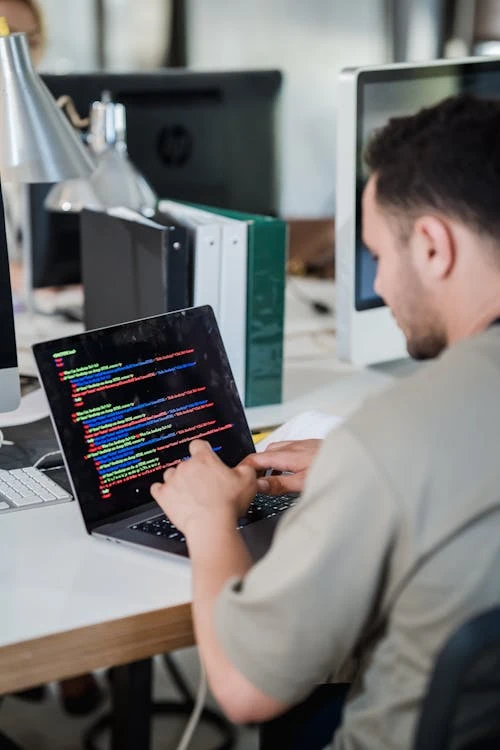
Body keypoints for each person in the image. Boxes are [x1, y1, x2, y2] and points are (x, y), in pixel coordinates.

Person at [150, 93, 500, 749]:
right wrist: (355, 464)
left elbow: (242, 689)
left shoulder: (396, 437)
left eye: (376, 256)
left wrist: (208, 521)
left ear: (432, 246)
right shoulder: (392, 447)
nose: (379, 286)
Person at [0, 0, 102, 717]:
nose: (14, 54)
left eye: (25, 40)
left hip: (35, 332)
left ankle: (63, 645)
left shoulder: (39, 127)